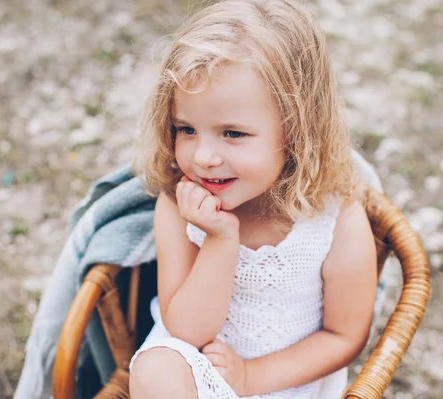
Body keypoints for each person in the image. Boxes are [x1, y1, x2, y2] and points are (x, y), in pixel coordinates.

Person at [128, 0, 377, 397]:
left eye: (233, 133)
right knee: (157, 370)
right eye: (186, 129)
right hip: (194, 370)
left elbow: (343, 335)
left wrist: (252, 377)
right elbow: (188, 332)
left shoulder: (332, 217)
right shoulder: (178, 208)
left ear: (295, 131)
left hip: (283, 378)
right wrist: (219, 239)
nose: (204, 157)